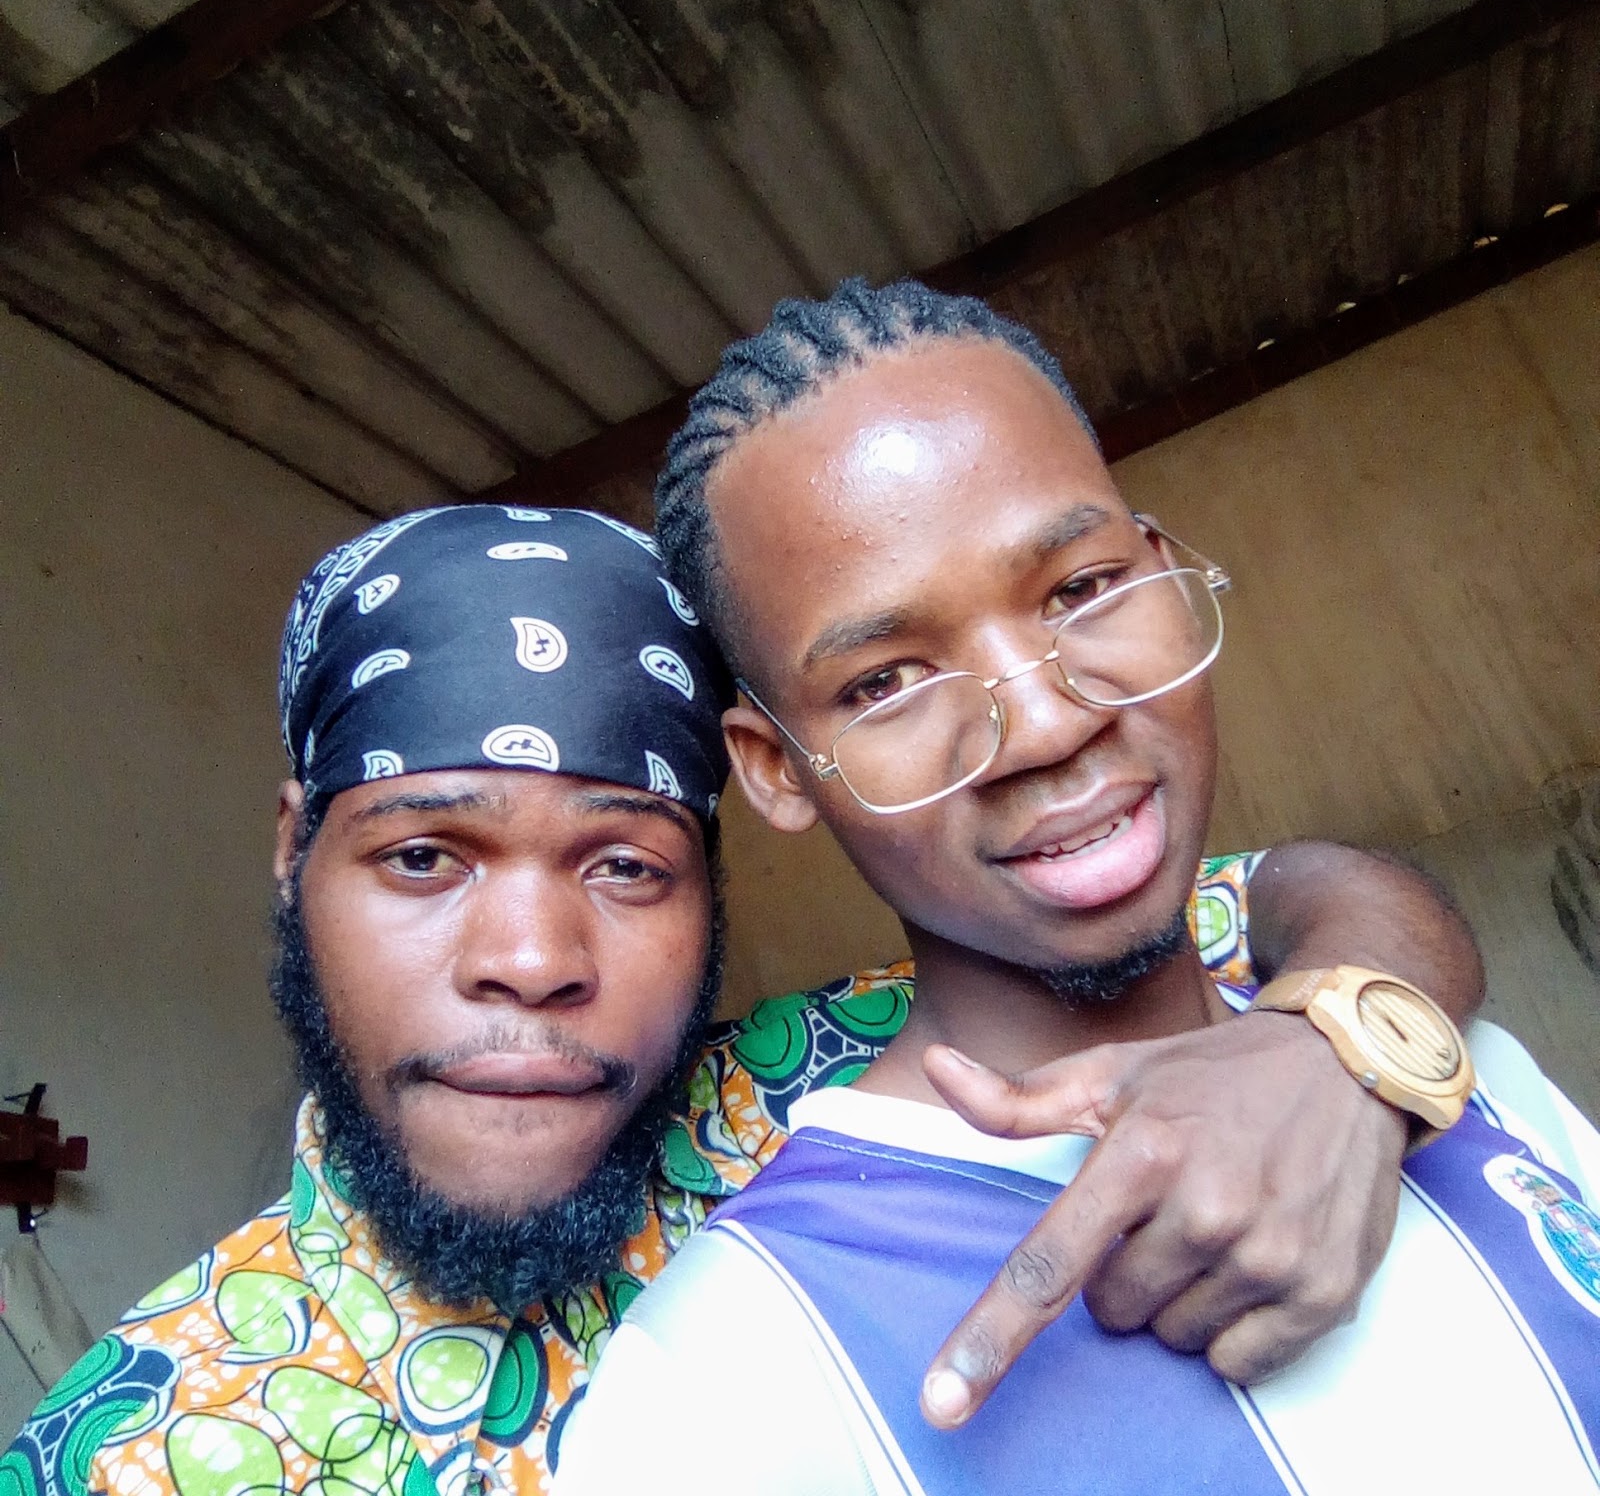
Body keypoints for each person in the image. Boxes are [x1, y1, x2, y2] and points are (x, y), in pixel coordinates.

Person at [2, 502, 1484, 1496]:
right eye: (424, 857)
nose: (531, 956)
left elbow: (1300, 889)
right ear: (294, 856)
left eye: (626, 865)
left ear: (713, 888)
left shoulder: (841, 1091)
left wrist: (1337, 1043)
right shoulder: (138, 1446)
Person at [556, 279, 1600, 1493]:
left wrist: (1351, 1052)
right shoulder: (724, 1386)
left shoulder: (1443, 1066)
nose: (1048, 723)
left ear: (1160, 568)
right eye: (887, 680)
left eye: (1081, 588)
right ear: (779, 768)